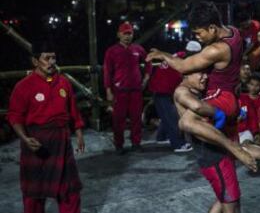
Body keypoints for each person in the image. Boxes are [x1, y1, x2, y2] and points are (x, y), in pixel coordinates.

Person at [146, 0, 257, 170]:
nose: (197, 37)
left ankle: (230, 146)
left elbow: (183, 66)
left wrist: (163, 54)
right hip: (229, 93)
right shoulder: (233, 32)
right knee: (182, 97)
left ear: (212, 28)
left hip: (220, 96)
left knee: (186, 122)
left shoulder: (216, 50)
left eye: (199, 33)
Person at [174, 72, 260, 213]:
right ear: (186, 73)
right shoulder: (182, 91)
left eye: (206, 73)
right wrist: (217, 113)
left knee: (228, 199)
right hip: (212, 156)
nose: (205, 77)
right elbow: (193, 110)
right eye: (200, 73)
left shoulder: (203, 90)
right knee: (230, 202)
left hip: (215, 150)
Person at [7, 40, 84, 213]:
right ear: (35, 61)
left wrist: (78, 132)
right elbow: (15, 116)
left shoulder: (64, 83)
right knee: (34, 193)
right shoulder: (23, 86)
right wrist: (25, 138)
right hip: (37, 142)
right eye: (46, 58)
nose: (51, 62)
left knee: (70, 191)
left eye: (53, 58)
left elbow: (73, 111)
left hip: (62, 141)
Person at [103, 22, 152, 153]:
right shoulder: (112, 51)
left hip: (136, 90)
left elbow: (148, 63)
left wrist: (146, 78)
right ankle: (119, 145)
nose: (127, 36)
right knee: (118, 120)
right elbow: (107, 71)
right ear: (119, 34)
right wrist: (108, 90)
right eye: (124, 33)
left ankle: (136, 143)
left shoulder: (138, 49)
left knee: (136, 118)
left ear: (133, 34)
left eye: (129, 33)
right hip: (119, 91)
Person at [148, 41, 201, 152]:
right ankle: (178, 144)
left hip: (160, 89)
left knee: (166, 115)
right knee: (172, 118)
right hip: (162, 90)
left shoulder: (177, 55)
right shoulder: (183, 61)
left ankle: (162, 137)